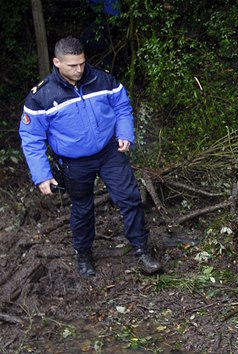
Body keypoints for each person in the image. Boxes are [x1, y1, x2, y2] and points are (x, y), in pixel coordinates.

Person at [19, 36, 162, 277]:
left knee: (130, 198)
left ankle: (141, 250)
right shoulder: (41, 96)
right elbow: (31, 137)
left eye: (82, 63)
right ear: (56, 62)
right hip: (74, 162)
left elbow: (122, 106)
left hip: (109, 152)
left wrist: (125, 132)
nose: (79, 70)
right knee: (82, 208)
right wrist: (42, 174)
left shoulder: (101, 78)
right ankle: (84, 255)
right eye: (72, 65)